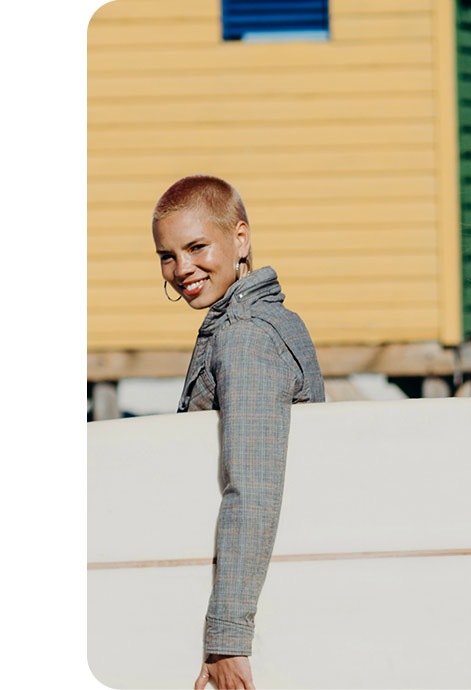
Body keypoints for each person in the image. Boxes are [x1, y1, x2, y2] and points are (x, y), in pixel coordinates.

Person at [151, 175, 326, 690]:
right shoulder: (260, 320)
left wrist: (226, 640)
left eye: (197, 246)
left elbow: (252, 489)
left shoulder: (246, 336)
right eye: (167, 254)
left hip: (254, 618)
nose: (182, 268)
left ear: (240, 239)